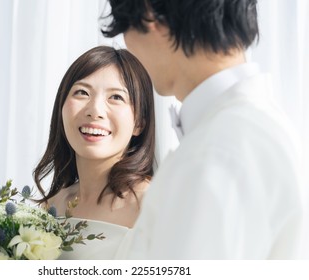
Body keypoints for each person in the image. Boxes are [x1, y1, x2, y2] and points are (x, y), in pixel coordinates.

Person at [102, 0, 304, 259]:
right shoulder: (258, 126)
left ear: (150, 15)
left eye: (124, 30)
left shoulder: (217, 150)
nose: (129, 47)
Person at [33, 46, 155, 259]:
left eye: (116, 97)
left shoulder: (153, 204)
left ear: (139, 123)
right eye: (82, 92)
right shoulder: (52, 205)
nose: (95, 110)